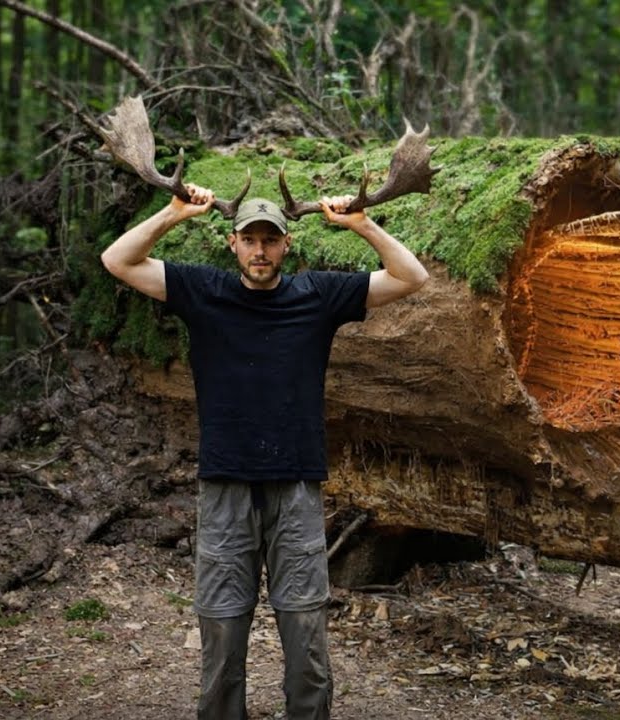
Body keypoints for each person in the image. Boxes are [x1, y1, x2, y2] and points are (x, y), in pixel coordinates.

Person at [100, 185, 429, 719]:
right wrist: (175, 212)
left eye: (270, 241)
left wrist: (362, 225)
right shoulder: (202, 291)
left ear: (286, 246)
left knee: (305, 629)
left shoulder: (317, 295)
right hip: (225, 481)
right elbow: (117, 260)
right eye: (250, 240)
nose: (260, 251)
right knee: (222, 626)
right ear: (232, 244)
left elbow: (411, 278)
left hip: (296, 483)